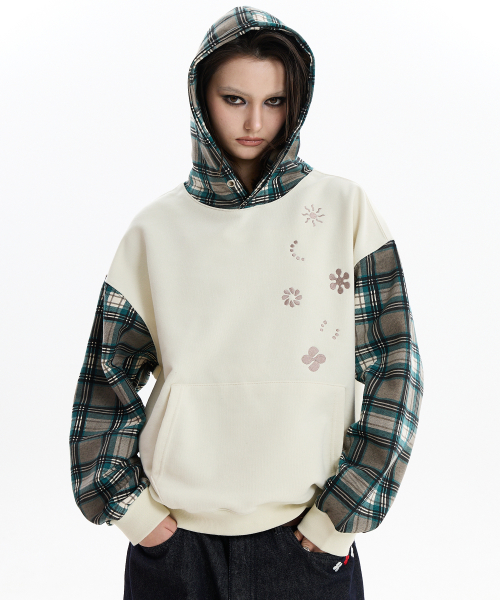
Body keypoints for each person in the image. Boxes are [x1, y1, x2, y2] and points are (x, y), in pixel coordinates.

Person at [69, 6, 424, 600]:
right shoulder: (156, 229)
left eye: (274, 101)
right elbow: (106, 378)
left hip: (307, 543)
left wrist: (340, 519)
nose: (255, 122)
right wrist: (135, 516)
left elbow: (397, 368)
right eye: (234, 99)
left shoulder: (344, 209)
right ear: (200, 98)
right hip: (176, 546)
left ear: (295, 102)